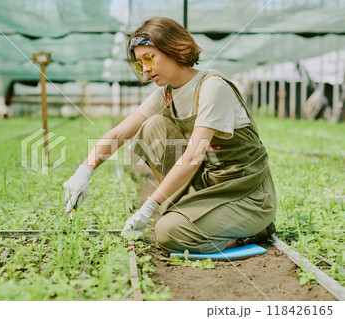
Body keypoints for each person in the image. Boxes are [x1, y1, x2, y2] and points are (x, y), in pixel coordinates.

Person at [63, 17, 276, 254]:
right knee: (150, 129)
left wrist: (149, 206)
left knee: (168, 233)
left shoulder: (212, 87)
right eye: (139, 63)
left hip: (244, 194)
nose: (144, 69)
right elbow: (120, 132)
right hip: (208, 185)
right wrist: (84, 171)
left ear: (173, 48)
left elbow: (193, 157)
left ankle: (251, 231)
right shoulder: (167, 93)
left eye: (149, 58)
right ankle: (184, 207)